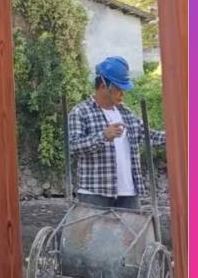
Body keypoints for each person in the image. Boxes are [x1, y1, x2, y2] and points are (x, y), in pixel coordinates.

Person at [68, 56, 165, 209]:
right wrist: (103, 136)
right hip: (95, 193)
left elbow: (149, 136)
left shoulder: (126, 113)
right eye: (119, 88)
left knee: (132, 226)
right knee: (94, 227)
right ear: (103, 86)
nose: (122, 94)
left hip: (128, 193)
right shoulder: (80, 112)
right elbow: (73, 147)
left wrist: (178, 136)